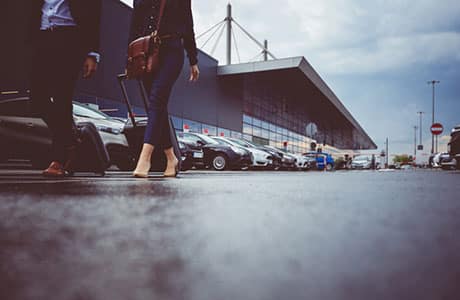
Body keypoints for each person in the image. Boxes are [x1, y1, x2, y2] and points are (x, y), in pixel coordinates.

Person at [28, 0, 102, 177]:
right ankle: (71, 139)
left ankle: (59, 159)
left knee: (62, 97)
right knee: (37, 99)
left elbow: (94, 11)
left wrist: (92, 53)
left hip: (70, 37)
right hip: (43, 35)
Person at [128, 0, 200, 178]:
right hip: (146, 52)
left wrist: (193, 59)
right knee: (157, 106)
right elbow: (134, 25)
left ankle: (144, 158)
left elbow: (187, 24)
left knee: (157, 98)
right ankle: (171, 158)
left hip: (172, 51)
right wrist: (130, 59)